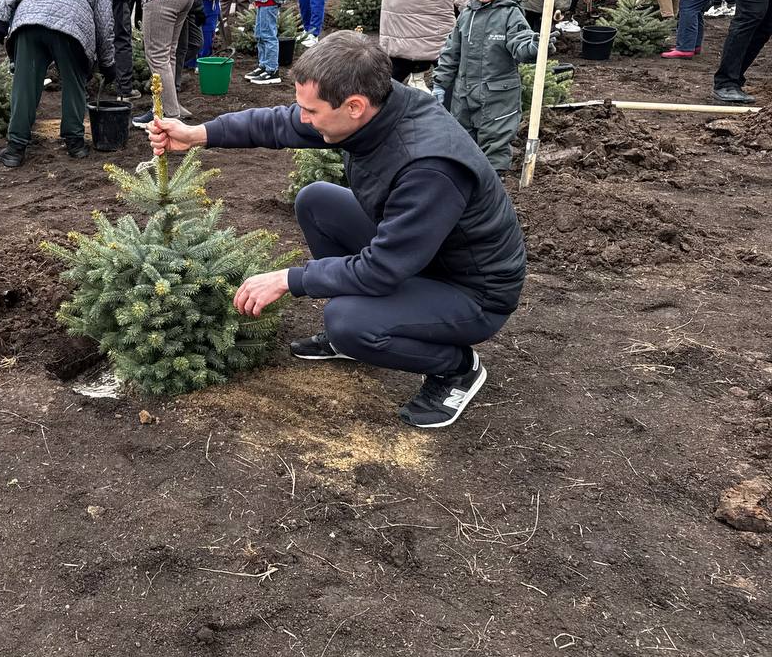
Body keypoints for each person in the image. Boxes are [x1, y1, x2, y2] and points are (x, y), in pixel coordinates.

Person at [148, 31, 526, 429]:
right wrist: (197, 135)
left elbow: (381, 269)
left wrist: (288, 279)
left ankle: (456, 368)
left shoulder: (427, 166)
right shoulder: (373, 105)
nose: (304, 119)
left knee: (346, 321)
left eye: (311, 111)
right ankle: (369, 326)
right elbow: (278, 124)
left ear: (355, 107)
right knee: (318, 201)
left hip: (472, 290)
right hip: (421, 254)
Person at [0, 0, 114, 167]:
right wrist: (108, 62)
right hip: (72, 29)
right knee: (74, 83)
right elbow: (104, 20)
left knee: (24, 85)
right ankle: (75, 144)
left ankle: (15, 148)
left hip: (30, 24)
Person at [433, 0, 544, 172]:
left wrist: (534, 47)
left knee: (495, 145)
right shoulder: (466, 15)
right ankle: (466, 184)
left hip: (498, 97)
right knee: (462, 141)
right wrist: (440, 84)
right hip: (463, 96)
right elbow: (450, 53)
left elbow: (520, 44)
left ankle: (494, 189)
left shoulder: (510, 14)